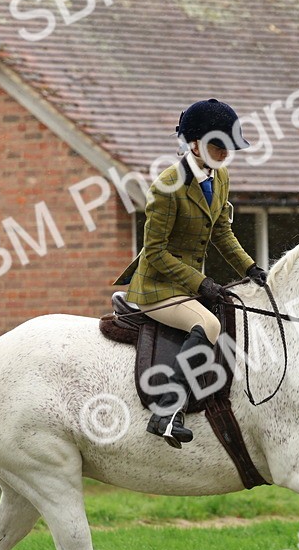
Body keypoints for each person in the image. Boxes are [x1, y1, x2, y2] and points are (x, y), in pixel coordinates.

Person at [113, 99, 268, 448]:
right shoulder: (167, 186)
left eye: (229, 147)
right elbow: (155, 252)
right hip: (157, 287)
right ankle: (167, 411)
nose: (225, 154)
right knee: (209, 326)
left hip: (187, 286)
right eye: (218, 146)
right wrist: (201, 282)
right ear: (194, 143)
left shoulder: (220, 177)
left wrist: (251, 268)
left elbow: (221, 233)